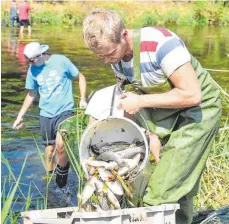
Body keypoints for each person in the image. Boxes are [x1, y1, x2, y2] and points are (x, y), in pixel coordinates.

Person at [83, 9, 222, 224]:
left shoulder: (161, 45)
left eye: (109, 53)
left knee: (159, 192)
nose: (106, 61)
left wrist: (140, 102)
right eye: (101, 56)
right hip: (166, 112)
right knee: (178, 182)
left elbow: (193, 95)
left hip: (198, 112)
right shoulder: (116, 59)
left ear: (124, 35)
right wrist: (147, 134)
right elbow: (132, 98)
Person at [12, 42, 88, 188]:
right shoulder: (32, 70)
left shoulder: (61, 61)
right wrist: (20, 116)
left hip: (65, 111)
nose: (29, 63)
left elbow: (81, 77)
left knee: (60, 145)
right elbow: (31, 94)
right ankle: (51, 182)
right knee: (49, 152)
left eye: (31, 60)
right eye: (28, 61)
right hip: (45, 114)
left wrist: (83, 99)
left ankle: (62, 180)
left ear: (41, 55)